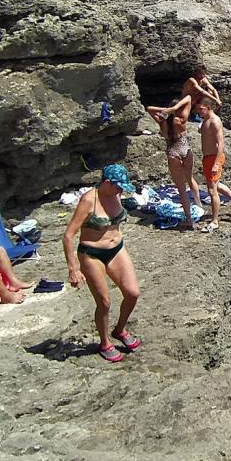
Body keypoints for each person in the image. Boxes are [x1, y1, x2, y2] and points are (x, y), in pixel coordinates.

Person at [63, 165, 142, 362]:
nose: (121, 191)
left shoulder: (115, 194)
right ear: (107, 183)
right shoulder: (89, 200)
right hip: (92, 254)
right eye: (118, 186)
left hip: (117, 249)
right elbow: (68, 236)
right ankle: (104, 342)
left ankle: (120, 329)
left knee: (133, 293)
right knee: (104, 302)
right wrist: (73, 269)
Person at [146, 96, 199, 230]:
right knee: (190, 179)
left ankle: (189, 220)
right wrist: (175, 109)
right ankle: (198, 205)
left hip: (173, 153)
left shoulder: (162, 122)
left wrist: (167, 110)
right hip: (185, 150)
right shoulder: (181, 120)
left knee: (181, 189)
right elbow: (188, 98)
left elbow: (149, 109)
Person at [194, 96, 231, 232]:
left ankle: (215, 221)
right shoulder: (205, 121)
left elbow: (220, 143)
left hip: (215, 158)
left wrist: (216, 163)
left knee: (212, 190)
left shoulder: (215, 121)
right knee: (215, 184)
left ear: (207, 108)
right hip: (207, 157)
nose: (198, 111)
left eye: (200, 109)